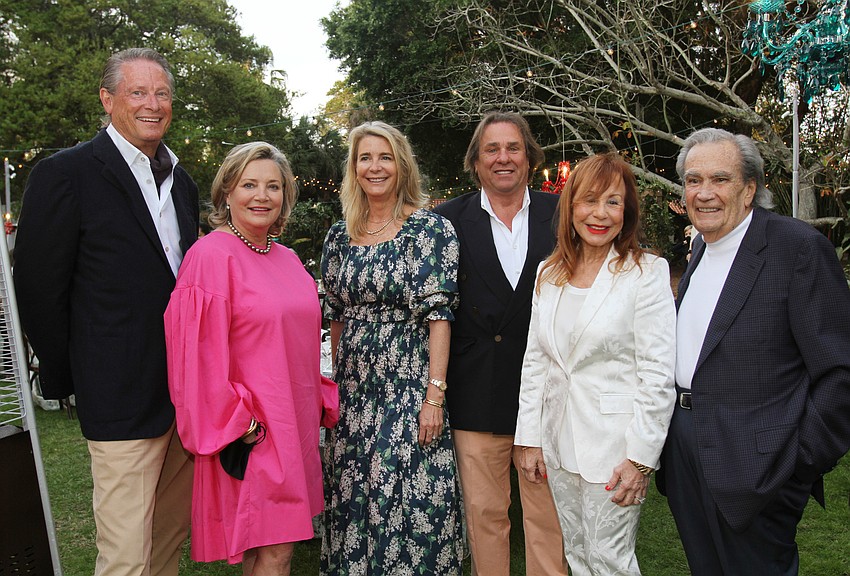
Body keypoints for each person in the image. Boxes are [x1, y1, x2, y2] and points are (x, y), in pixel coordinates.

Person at [13, 48, 199, 576]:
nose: (153, 104)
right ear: (108, 98)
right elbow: (39, 286)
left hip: (183, 397)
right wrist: (72, 376)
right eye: (138, 92)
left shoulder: (180, 183)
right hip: (118, 396)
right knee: (124, 555)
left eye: (162, 93)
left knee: (166, 544)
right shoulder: (65, 174)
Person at [658, 127, 850, 575]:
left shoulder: (797, 249)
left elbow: (840, 372)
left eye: (720, 179)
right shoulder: (703, 248)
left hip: (758, 464)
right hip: (687, 453)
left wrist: (796, 467)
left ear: (749, 190)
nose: (703, 193)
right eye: (693, 180)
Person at [164, 142, 338, 575]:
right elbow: (194, 358)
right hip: (252, 429)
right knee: (275, 550)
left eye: (273, 186)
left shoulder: (288, 258)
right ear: (226, 192)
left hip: (294, 424)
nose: (262, 196)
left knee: (278, 548)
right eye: (249, 184)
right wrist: (243, 424)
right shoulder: (209, 257)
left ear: (285, 197)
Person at [514, 153, 677, 575]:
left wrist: (641, 458)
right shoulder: (548, 273)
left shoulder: (647, 273)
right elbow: (536, 362)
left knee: (610, 560)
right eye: (589, 201)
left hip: (615, 448)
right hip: (558, 443)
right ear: (570, 207)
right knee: (578, 554)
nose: (600, 214)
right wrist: (529, 439)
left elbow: (658, 373)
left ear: (627, 211)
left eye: (613, 202)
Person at [320, 121, 463, 575]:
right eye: (365, 158)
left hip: (409, 389)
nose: (374, 166)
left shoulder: (430, 230)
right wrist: (337, 391)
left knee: (415, 502)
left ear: (401, 165)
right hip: (354, 398)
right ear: (353, 168)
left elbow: (440, 315)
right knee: (353, 503)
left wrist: (433, 396)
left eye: (384, 157)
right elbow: (336, 315)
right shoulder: (338, 236)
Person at [433, 111, 568, 576]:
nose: (503, 158)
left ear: (530, 157)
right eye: (491, 149)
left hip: (549, 395)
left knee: (547, 519)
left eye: (513, 148)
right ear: (475, 161)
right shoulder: (446, 221)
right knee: (485, 517)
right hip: (476, 393)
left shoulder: (563, 213)